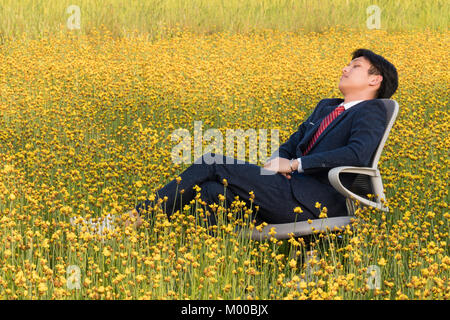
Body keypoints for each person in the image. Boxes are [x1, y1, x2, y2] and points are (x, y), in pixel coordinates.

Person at [124, 48, 398, 230]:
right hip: (284, 192)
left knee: (212, 161)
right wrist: (278, 160)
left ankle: (133, 220)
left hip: (313, 204)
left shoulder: (371, 110)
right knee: (210, 192)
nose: (345, 68)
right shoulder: (328, 106)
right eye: (348, 64)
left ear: (375, 81)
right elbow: (293, 142)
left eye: (356, 66)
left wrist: (294, 166)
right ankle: (206, 263)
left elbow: (357, 155)